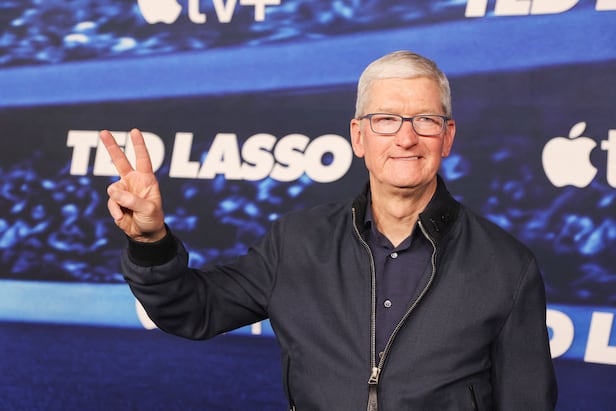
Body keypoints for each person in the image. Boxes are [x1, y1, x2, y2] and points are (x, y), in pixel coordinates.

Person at [100, 50, 557, 410]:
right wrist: (149, 241)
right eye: (386, 119)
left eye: (425, 120)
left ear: (448, 136)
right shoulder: (296, 242)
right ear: (358, 136)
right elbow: (192, 310)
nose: (406, 138)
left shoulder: (507, 267)